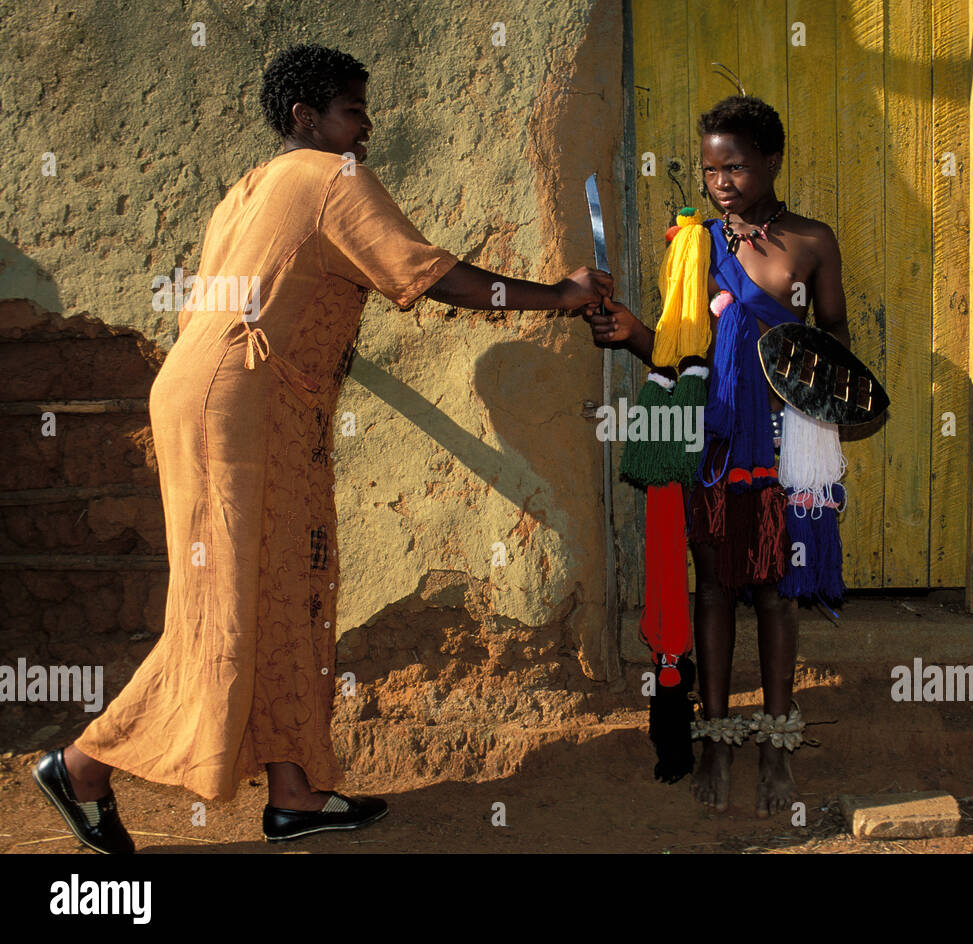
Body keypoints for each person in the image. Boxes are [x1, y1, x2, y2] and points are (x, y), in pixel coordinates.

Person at [32, 43, 611, 854]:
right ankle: (85, 766)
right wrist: (560, 295)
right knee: (225, 602)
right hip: (241, 405)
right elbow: (429, 274)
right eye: (353, 112)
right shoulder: (330, 178)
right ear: (307, 117)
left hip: (227, 398)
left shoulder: (250, 188)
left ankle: (296, 792)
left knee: (286, 586)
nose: (366, 132)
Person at [585, 95, 852, 816]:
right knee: (715, 589)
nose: (721, 181)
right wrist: (631, 330)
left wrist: (794, 376)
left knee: (776, 593)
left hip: (781, 442)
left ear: (770, 161)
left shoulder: (812, 241)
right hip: (713, 439)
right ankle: (715, 741)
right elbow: (675, 356)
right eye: (710, 169)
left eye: (735, 165)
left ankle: (775, 745)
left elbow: (837, 343)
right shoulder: (691, 245)